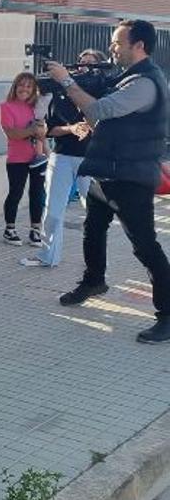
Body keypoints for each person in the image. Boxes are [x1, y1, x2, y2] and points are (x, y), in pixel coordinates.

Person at [49, 20, 170, 344]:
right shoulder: (127, 77)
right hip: (109, 171)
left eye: (118, 43)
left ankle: (168, 314)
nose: (113, 48)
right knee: (93, 228)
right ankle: (94, 281)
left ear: (139, 45)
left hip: (130, 176)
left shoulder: (145, 82)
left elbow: (100, 110)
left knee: (145, 246)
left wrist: (66, 81)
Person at [20, 49, 106, 269]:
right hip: (63, 156)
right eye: (81, 63)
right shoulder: (61, 89)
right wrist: (71, 128)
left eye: (91, 64)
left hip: (92, 158)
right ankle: (48, 256)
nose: (84, 68)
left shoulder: (102, 88)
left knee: (96, 211)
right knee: (53, 211)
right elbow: (48, 129)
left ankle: (96, 263)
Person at [0, 73, 48, 248]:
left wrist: (46, 149)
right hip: (16, 158)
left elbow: (43, 134)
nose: (24, 89)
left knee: (37, 194)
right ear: (15, 86)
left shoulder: (36, 108)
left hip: (38, 157)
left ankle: (35, 230)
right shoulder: (5, 107)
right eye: (21, 85)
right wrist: (33, 130)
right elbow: (12, 133)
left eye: (28, 86)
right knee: (16, 192)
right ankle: (9, 229)